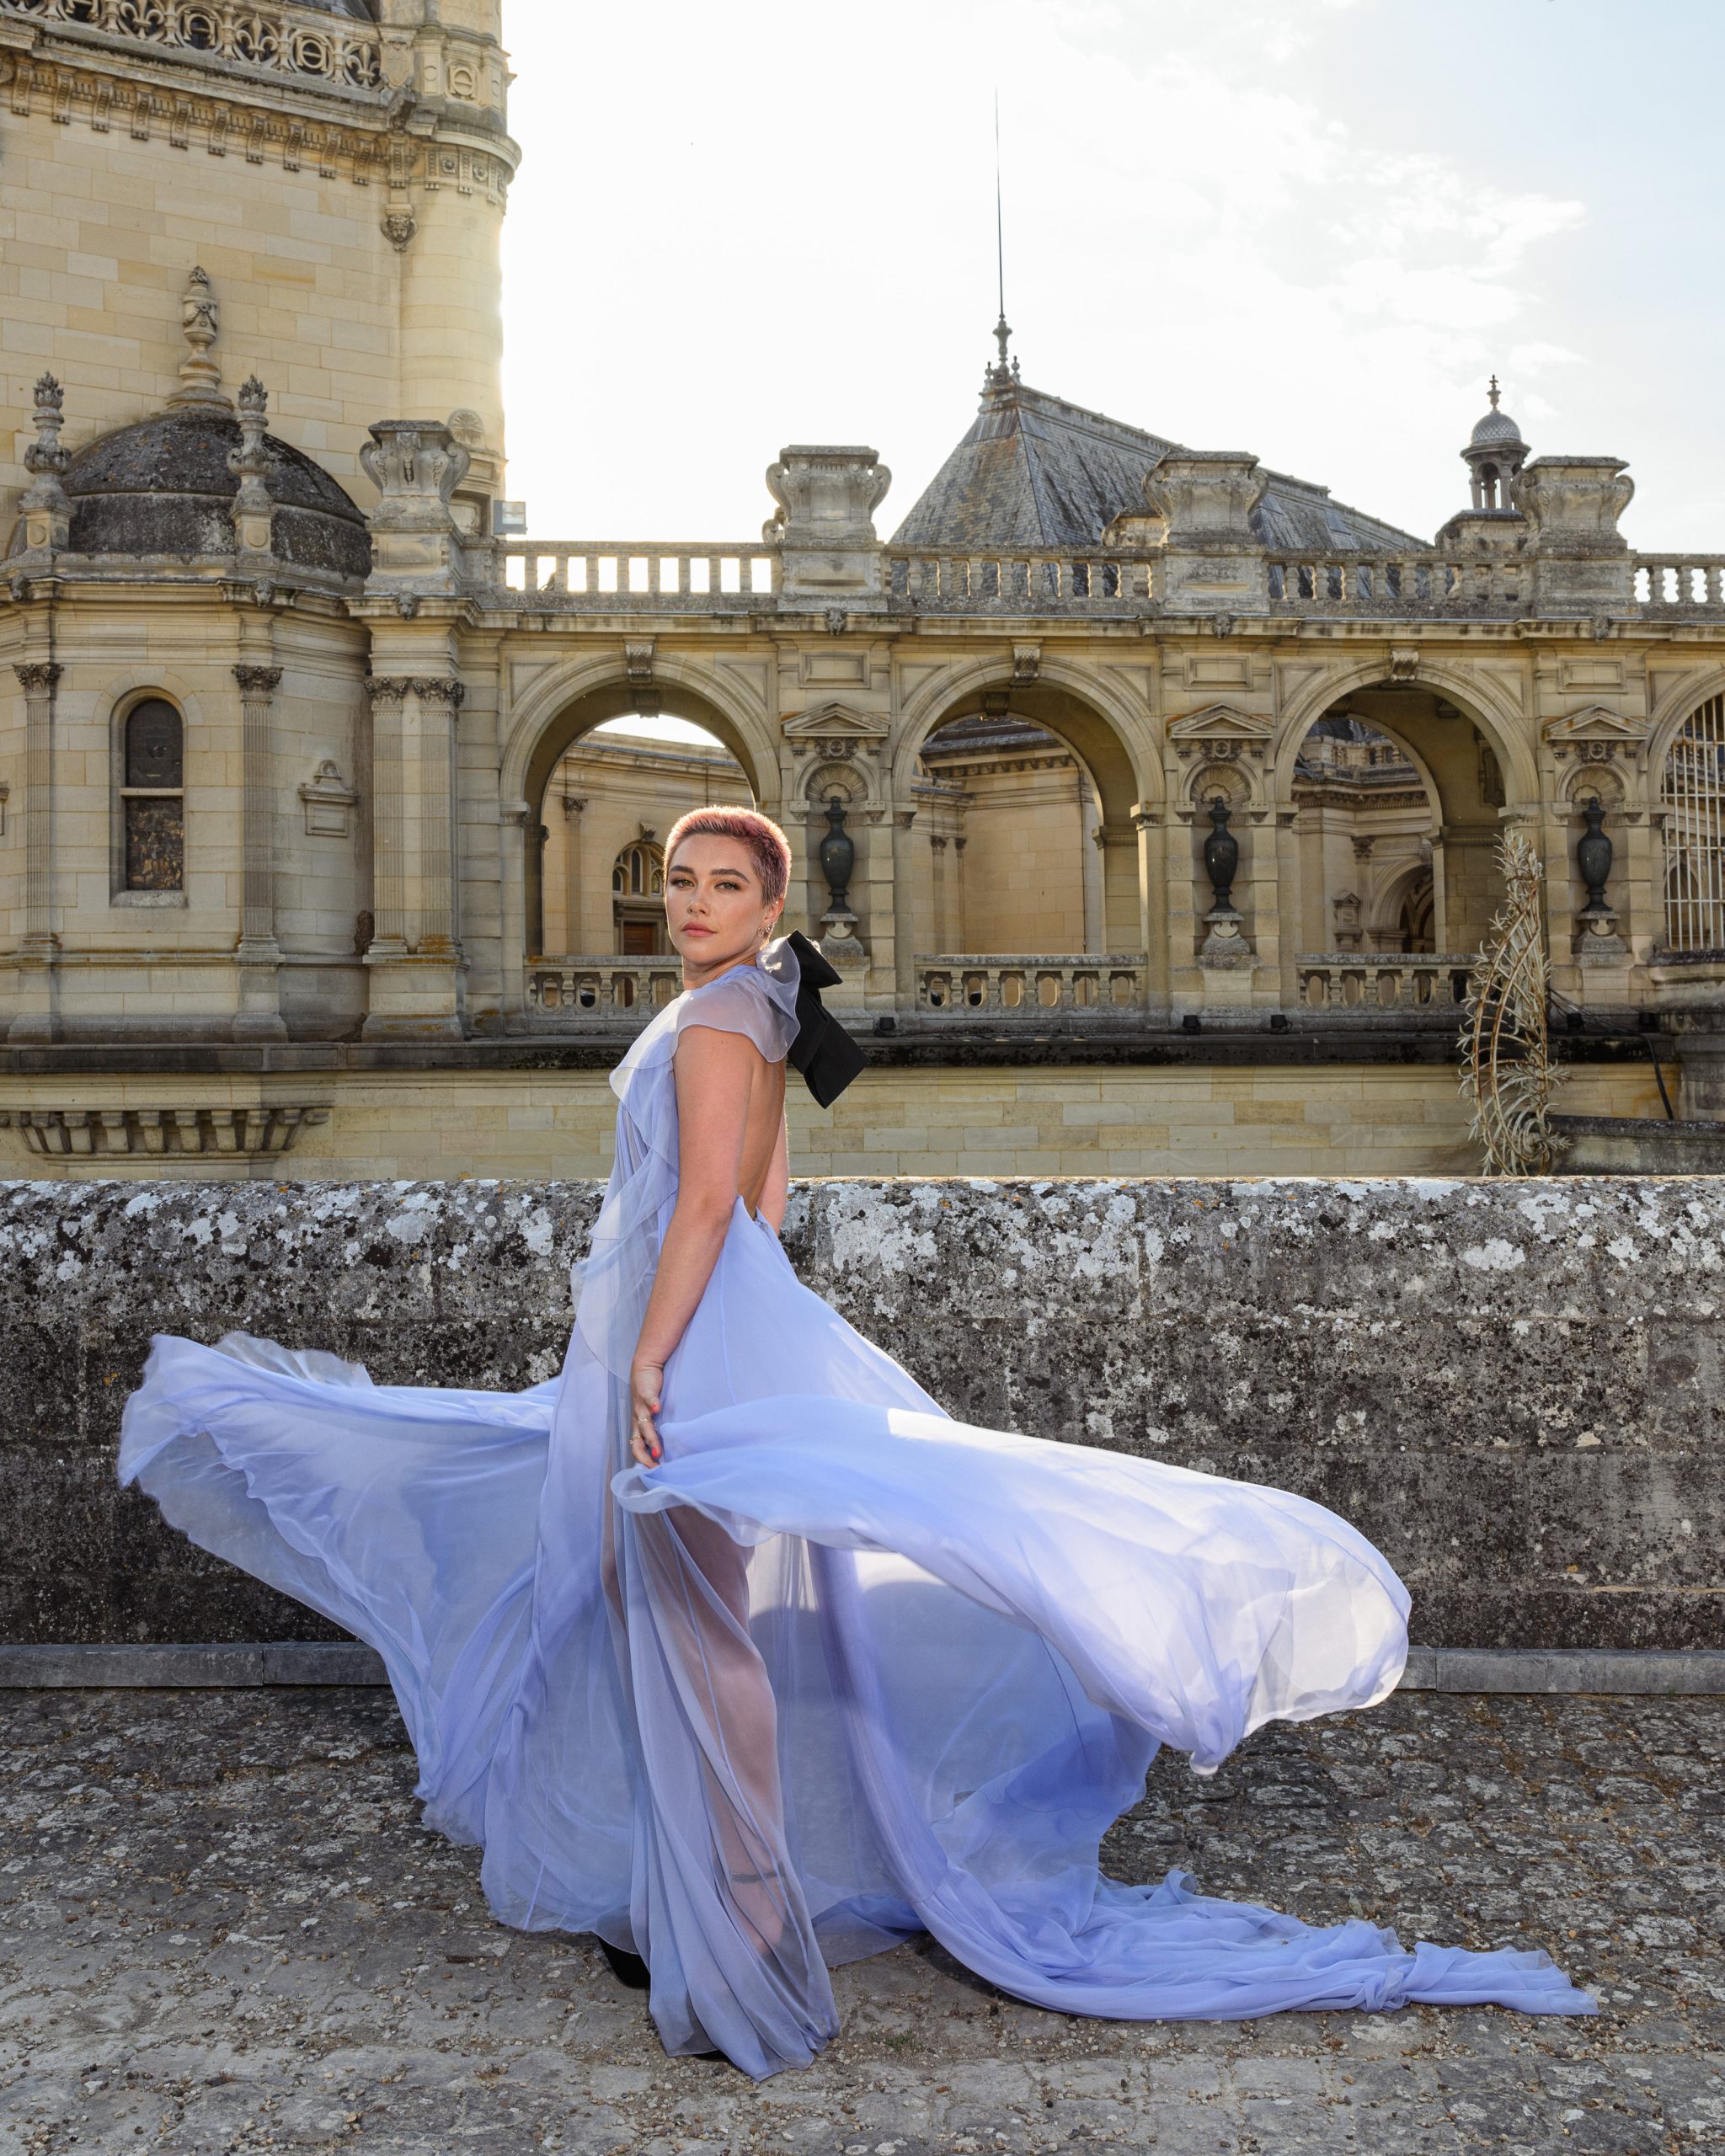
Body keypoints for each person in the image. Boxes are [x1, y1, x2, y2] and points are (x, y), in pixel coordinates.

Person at [119, 805, 1593, 2080]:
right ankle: (718, 1891)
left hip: (685, 1339)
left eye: (722, 886)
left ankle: (746, 1924)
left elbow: (709, 1206)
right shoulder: (763, 1007)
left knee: (691, 1625)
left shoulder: (719, 1016)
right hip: (727, 1321)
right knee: (671, 1603)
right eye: (679, 881)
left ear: (772, 905)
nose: (690, 902)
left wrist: (651, 1353)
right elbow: (766, 1202)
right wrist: (717, 1325)